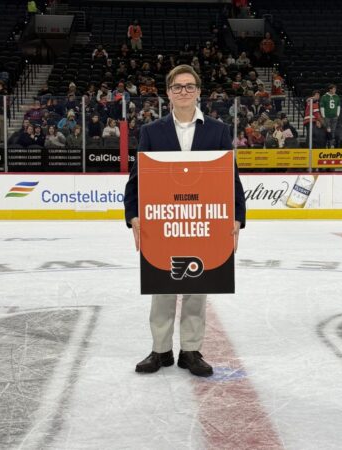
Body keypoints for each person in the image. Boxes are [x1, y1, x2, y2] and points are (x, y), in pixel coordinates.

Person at [123, 64, 246, 377]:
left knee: (197, 285)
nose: (183, 91)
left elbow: (231, 178)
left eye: (189, 86)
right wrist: (133, 214)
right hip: (164, 222)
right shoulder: (152, 132)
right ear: (168, 93)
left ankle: (191, 350)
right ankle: (160, 350)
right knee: (162, 284)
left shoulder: (217, 130)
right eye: (177, 86)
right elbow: (136, 180)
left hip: (203, 221)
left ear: (199, 92)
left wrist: (238, 218)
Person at [321, 84, 341, 149]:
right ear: (330, 89)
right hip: (327, 116)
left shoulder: (337, 96)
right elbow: (322, 106)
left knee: (333, 130)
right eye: (334, 89)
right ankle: (326, 144)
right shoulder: (324, 97)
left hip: (334, 116)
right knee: (327, 130)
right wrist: (323, 115)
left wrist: (337, 114)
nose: (335, 90)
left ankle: (331, 144)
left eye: (335, 89)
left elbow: (338, 106)